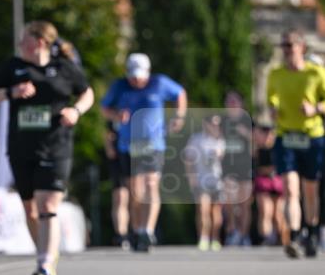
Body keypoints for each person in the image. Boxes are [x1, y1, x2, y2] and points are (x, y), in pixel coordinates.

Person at [0, 20, 94, 275]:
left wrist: (76, 111)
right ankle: (45, 255)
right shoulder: (13, 67)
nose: (20, 45)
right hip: (21, 147)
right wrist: (11, 92)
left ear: (40, 42)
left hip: (56, 146)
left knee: (47, 204)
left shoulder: (65, 68)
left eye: (24, 40)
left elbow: (87, 93)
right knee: (30, 209)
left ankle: (44, 265)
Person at [100, 53, 187, 252]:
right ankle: (138, 230)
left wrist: (179, 116)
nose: (137, 80)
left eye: (140, 76)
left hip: (153, 143)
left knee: (151, 184)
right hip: (128, 144)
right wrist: (116, 114)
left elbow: (180, 93)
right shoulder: (119, 86)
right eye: (133, 76)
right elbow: (105, 107)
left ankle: (148, 231)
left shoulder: (159, 83)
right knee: (135, 190)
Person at [267, 30, 325, 258]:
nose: (287, 50)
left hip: (312, 135)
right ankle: (294, 235)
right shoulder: (276, 74)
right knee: (291, 189)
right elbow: (271, 97)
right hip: (286, 135)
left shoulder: (316, 74)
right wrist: (273, 109)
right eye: (284, 46)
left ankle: (311, 233)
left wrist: (316, 109)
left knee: (310, 190)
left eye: (291, 45)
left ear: (302, 47)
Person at [184, 114, 225, 251]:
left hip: (217, 181)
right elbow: (188, 160)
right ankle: (203, 238)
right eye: (213, 123)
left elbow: (222, 156)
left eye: (217, 124)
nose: (215, 126)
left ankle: (215, 238)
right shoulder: (196, 139)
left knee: (216, 212)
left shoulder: (220, 140)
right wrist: (192, 178)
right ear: (205, 124)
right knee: (202, 210)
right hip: (201, 180)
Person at [221, 91, 253, 247]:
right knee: (229, 202)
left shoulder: (247, 120)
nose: (232, 104)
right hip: (227, 168)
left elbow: (258, 143)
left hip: (245, 167)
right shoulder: (222, 121)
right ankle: (232, 231)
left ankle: (243, 234)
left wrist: (246, 133)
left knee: (244, 204)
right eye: (229, 101)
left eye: (235, 101)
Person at [253, 122, 286, 246]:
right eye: (265, 133)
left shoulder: (279, 148)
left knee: (278, 214)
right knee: (265, 211)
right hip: (263, 182)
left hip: (277, 182)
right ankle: (266, 237)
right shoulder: (257, 149)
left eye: (270, 133)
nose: (268, 136)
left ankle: (281, 238)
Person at [103, 121, 131, 249]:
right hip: (118, 160)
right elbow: (108, 134)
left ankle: (139, 231)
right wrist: (109, 146)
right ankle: (121, 234)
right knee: (120, 197)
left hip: (135, 158)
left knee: (136, 197)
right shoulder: (115, 111)